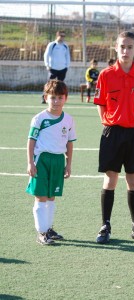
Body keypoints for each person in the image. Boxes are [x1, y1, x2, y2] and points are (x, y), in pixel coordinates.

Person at [94, 31, 134, 244]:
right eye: (122, 46)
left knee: (133, 180)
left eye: (130, 47)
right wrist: (110, 123)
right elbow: (101, 104)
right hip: (113, 132)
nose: (126, 50)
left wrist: (132, 121)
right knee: (110, 179)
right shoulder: (106, 75)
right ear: (116, 47)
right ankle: (105, 225)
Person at [26, 80, 76, 245]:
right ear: (46, 97)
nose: (56, 101)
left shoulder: (68, 120)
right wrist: (30, 163)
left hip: (57, 160)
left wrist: (68, 164)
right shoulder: (39, 118)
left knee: (51, 196)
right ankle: (41, 232)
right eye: (52, 97)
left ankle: (48, 228)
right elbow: (31, 141)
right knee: (41, 196)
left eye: (60, 97)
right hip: (41, 159)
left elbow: (69, 143)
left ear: (65, 98)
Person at [42, 30, 70, 103]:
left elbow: (67, 56)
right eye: (61, 36)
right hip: (53, 68)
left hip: (63, 68)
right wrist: (47, 65)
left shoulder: (65, 45)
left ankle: (60, 98)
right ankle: (45, 98)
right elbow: (46, 55)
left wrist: (67, 66)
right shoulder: (52, 44)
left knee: (60, 85)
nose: (62, 38)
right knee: (49, 84)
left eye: (64, 36)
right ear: (57, 36)